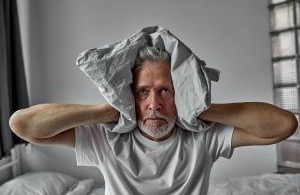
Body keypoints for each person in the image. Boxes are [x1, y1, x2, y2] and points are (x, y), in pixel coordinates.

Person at [9, 46, 298, 195]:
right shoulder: (106, 139)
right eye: (142, 92)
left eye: (165, 91)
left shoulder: (204, 136)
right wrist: (104, 111)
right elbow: (21, 125)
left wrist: (198, 107)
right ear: (128, 96)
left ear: (180, 94)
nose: (154, 104)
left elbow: (284, 125)